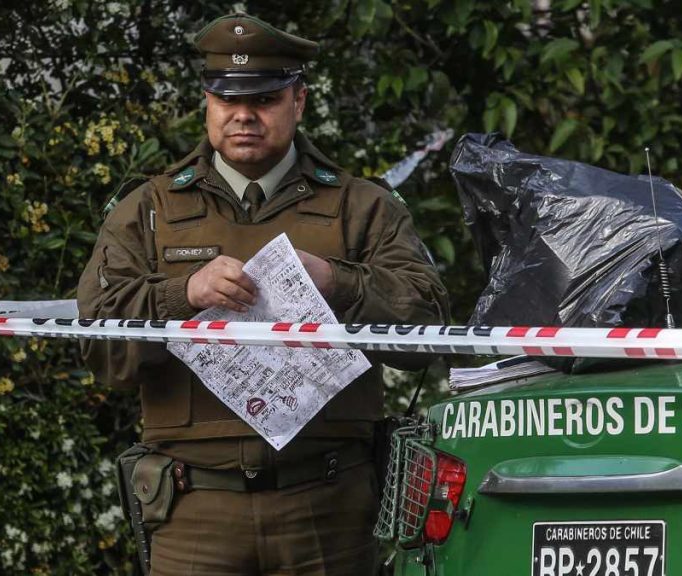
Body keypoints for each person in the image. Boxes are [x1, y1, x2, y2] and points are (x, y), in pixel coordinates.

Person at [76, 12, 449, 576]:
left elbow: (429, 326)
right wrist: (183, 295)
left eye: (266, 98)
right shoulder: (148, 211)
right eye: (227, 99)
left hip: (327, 506)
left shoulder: (362, 207)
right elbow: (99, 344)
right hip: (195, 510)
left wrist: (336, 280)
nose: (244, 115)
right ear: (207, 103)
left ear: (298, 102)